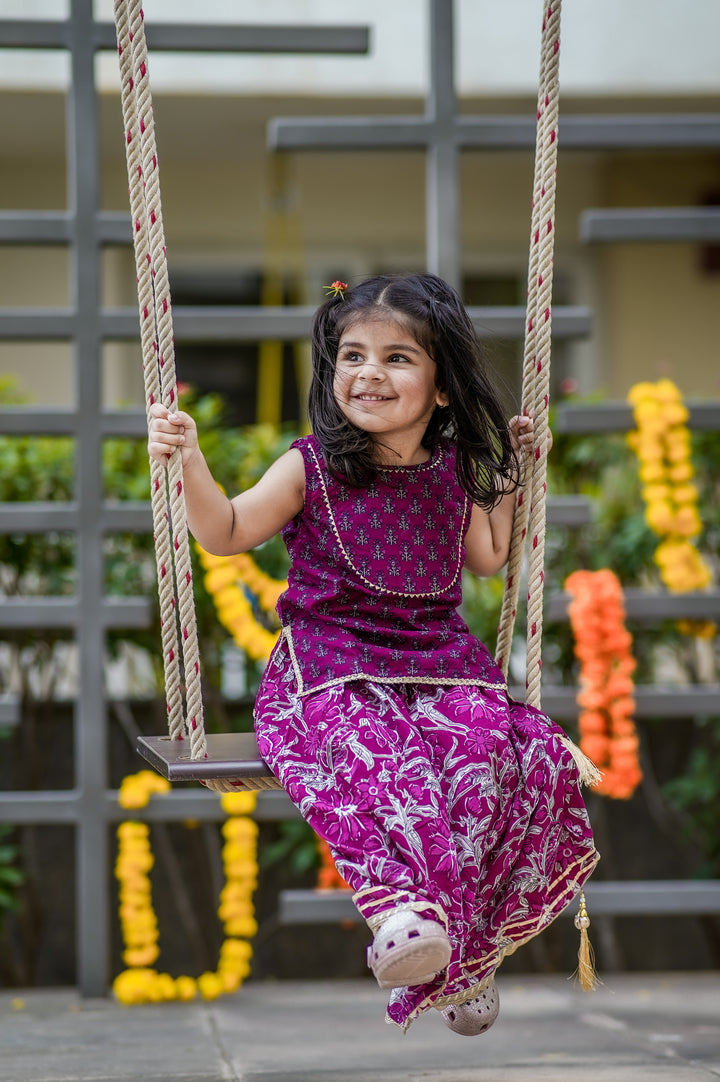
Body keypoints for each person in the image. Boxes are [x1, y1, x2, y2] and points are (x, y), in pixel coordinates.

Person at [148, 273, 599, 1035]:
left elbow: (490, 557)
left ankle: (469, 955)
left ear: (444, 387)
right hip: (332, 669)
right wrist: (186, 459)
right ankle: (400, 912)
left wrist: (516, 475)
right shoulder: (310, 467)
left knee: (495, 757)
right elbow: (225, 530)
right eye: (352, 355)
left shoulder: (458, 473)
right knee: (373, 758)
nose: (368, 373)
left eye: (397, 358)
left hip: (438, 662)